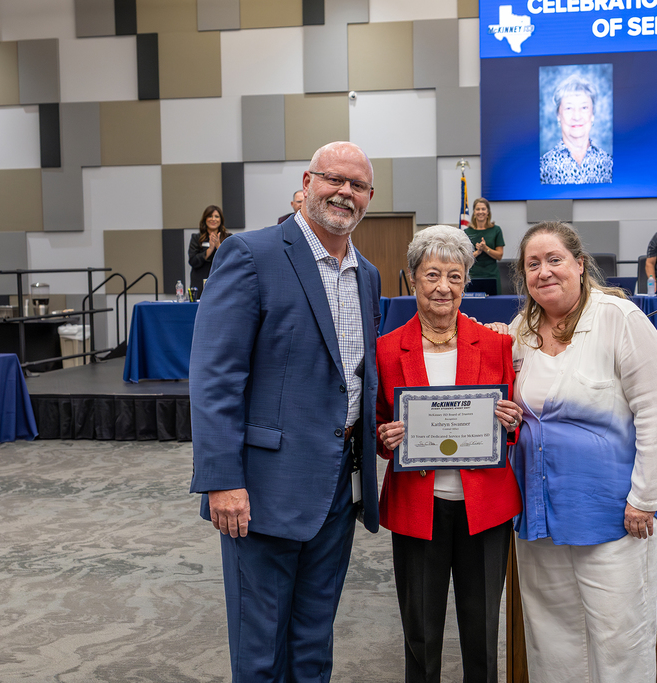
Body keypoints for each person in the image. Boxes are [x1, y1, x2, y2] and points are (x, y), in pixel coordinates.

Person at [189, 141, 382, 683]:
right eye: (333, 179)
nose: (345, 192)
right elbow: (215, 376)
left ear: (370, 197)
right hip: (262, 491)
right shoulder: (251, 255)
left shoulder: (367, 275)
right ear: (308, 181)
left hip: (337, 493)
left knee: (313, 643)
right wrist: (222, 479)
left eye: (358, 185)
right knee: (260, 652)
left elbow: (356, 377)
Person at [509, 221, 657, 683]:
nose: (544, 272)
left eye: (554, 260)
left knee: (620, 637)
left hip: (617, 517)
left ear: (580, 266)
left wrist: (646, 498)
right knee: (552, 638)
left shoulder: (619, 320)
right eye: (533, 264)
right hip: (541, 515)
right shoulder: (520, 331)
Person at [375, 225, 524, 683]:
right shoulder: (386, 350)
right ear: (413, 279)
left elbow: (512, 425)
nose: (444, 287)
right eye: (433, 275)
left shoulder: (498, 343)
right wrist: (387, 437)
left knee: (482, 631)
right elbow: (379, 426)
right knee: (421, 632)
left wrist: (511, 422)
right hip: (420, 508)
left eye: (455, 276)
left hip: (486, 508)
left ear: (466, 282)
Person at [539, 74, 612, 185]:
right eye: (569, 108)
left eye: (584, 108)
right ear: (558, 115)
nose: (576, 117)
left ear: (592, 114)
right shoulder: (543, 167)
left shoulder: (609, 164)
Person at [463, 198, 506, 294]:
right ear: (474, 212)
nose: (480, 212)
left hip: (492, 276)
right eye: (478, 209)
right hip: (473, 276)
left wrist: (486, 249)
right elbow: (465, 258)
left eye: (483, 209)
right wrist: (477, 252)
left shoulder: (496, 230)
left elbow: (499, 256)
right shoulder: (467, 232)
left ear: (488, 212)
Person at [188, 205, 230, 298]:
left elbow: (231, 260)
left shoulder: (228, 238)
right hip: (200, 282)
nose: (213, 219)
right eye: (210, 216)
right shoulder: (196, 238)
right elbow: (193, 261)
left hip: (221, 281)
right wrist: (210, 249)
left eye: (216, 216)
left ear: (221, 220)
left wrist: (219, 246)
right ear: (205, 219)